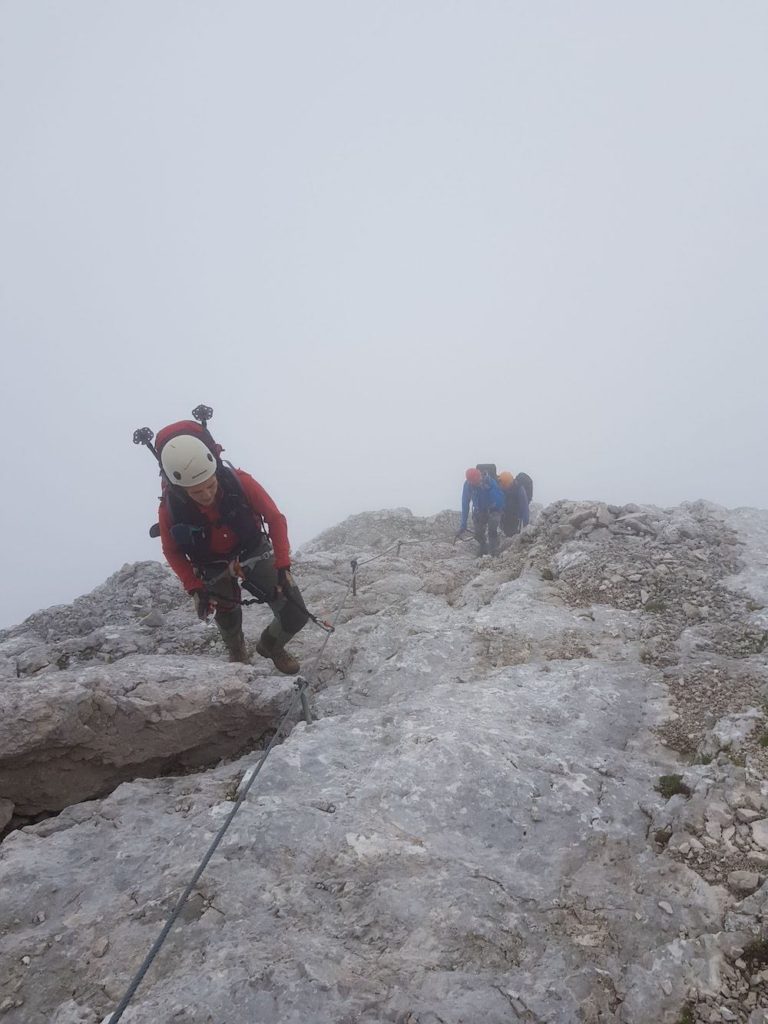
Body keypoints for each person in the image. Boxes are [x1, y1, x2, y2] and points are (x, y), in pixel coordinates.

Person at [154, 420, 309, 673]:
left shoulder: (240, 482)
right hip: (210, 564)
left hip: (252, 549)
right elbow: (171, 550)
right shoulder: (170, 508)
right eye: (196, 492)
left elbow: (275, 518)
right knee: (226, 613)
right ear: (179, 489)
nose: (206, 494)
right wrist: (194, 587)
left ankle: (270, 646)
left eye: (211, 485)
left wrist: (282, 565)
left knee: (295, 613)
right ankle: (236, 650)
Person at [457, 467, 505, 555]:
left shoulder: (490, 482)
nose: (478, 483)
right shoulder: (468, 486)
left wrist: (490, 490)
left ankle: (494, 552)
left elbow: (500, 501)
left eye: (478, 481)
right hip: (479, 511)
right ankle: (484, 549)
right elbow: (465, 503)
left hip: (493, 510)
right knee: (478, 534)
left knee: (492, 530)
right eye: (475, 482)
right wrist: (463, 523)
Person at [497, 471, 531, 537]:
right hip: (505, 515)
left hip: (515, 516)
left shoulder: (519, 489)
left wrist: (525, 526)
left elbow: (525, 508)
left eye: (504, 485)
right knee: (506, 532)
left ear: (509, 483)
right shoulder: (501, 488)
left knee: (512, 534)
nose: (502, 487)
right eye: (502, 485)